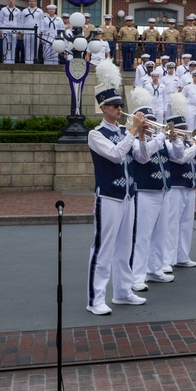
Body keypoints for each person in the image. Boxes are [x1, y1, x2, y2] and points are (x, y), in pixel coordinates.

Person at [86, 59, 146, 314]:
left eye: (121, 105)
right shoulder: (96, 134)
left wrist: (141, 135)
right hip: (109, 196)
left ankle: (123, 291)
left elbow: (142, 158)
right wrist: (133, 131)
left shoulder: (126, 131)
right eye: (115, 105)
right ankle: (96, 299)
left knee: (125, 246)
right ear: (103, 108)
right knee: (103, 247)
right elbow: (115, 155)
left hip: (128, 196)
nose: (120, 109)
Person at [128, 87, 174, 293]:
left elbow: (180, 155)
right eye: (148, 122)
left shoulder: (161, 140)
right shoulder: (137, 141)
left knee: (160, 233)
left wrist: (175, 138)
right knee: (142, 235)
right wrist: (151, 136)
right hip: (145, 191)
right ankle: (136, 276)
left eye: (153, 122)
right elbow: (143, 156)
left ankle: (155, 268)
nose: (151, 126)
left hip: (163, 190)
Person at [165, 94, 196, 270]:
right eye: (180, 130)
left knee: (187, 223)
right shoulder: (170, 143)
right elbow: (181, 158)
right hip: (175, 185)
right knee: (172, 223)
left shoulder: (189, 143)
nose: (184, 132)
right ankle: (168, 259)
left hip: (190, 186)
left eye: (184, 129)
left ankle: (182, 256)